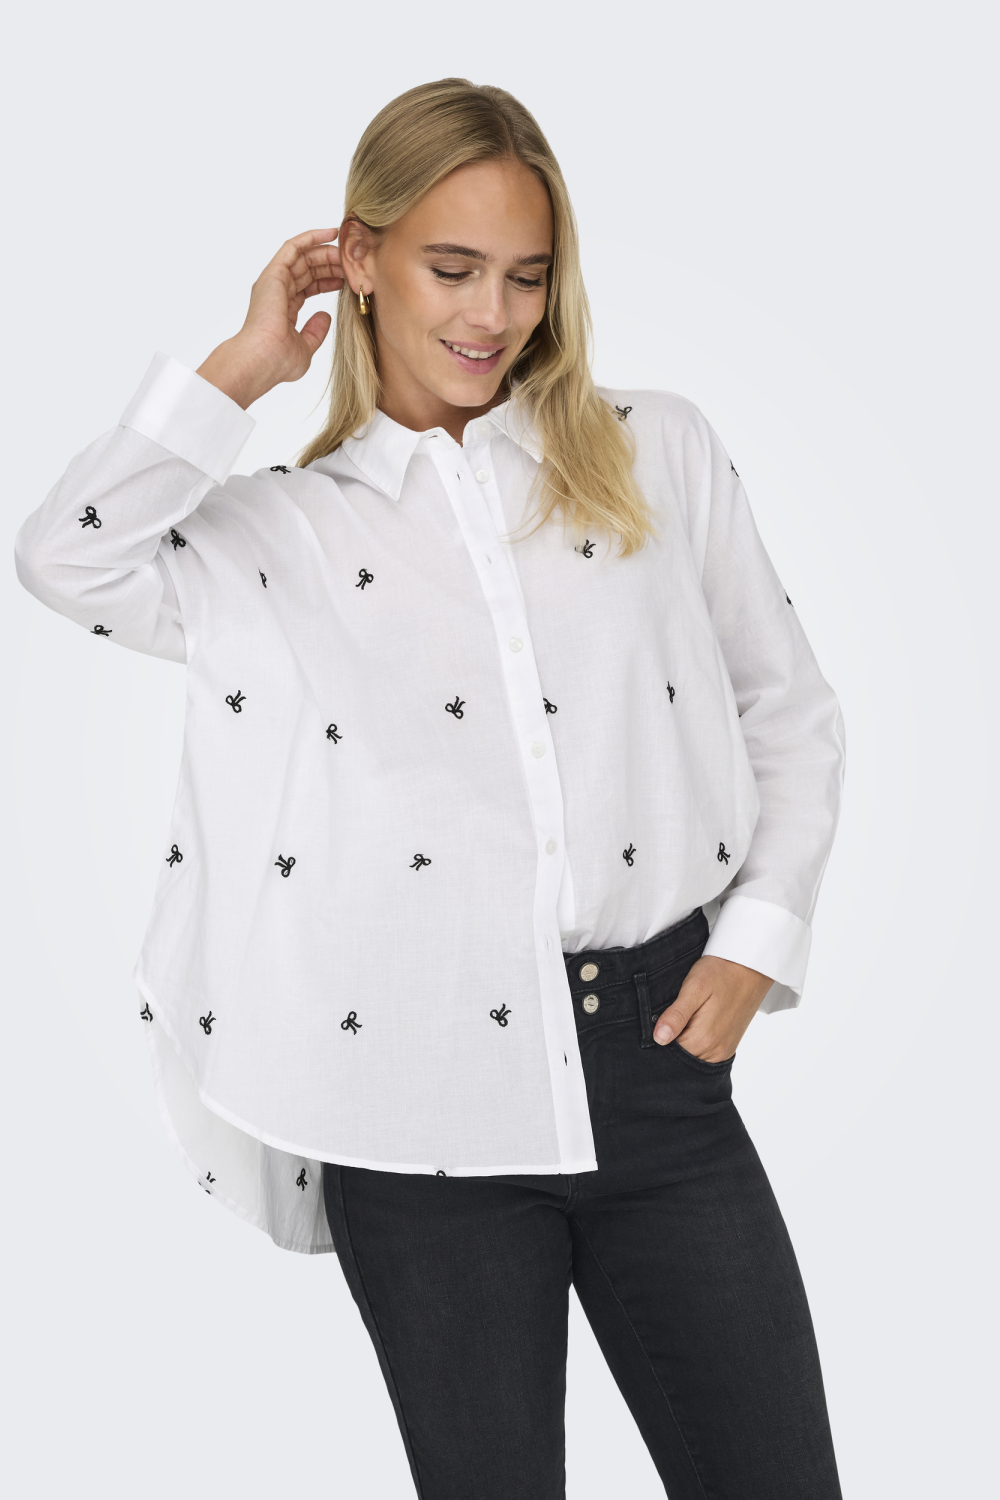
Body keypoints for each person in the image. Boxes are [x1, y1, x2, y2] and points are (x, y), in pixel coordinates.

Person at [14, 78, 846, 1500]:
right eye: (451, 268)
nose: (491, 313)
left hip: (658, 1066)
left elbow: (789, 705)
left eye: (526, 274)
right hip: (414, 1107)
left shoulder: (656, 451)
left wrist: (756, 936)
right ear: (362, 257)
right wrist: (243, 366)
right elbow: (65, 557)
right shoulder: (274, 536)